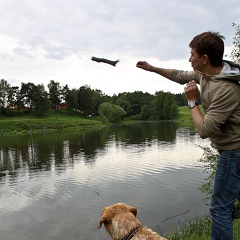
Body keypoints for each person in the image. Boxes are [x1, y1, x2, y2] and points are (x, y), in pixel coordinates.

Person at [136, 31, 240, 240]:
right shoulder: (207, 75)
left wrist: (192, 101)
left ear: (204, 59)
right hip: (232, 153)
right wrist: (151, 69)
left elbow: (203, 130)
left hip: (234, 153)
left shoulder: (226, 89)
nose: (189, 58)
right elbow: (179, 75)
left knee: (220, 209)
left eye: (192, 54)